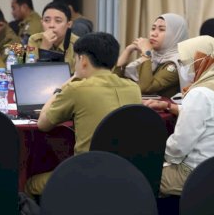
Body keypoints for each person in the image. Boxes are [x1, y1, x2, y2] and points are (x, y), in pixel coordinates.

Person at [25, 32, 142, 196]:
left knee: (30, 184)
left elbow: (42, 124)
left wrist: (63, 86)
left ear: (83, 60)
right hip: (125, 173)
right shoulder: (133, 88)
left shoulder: (77, 89)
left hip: (85, 174)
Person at [143, 35, 214, 196]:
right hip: (209, 169)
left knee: (140, 174)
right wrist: (171, 106)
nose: (183, 67)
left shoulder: (199, 94)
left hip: (195, 173)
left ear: (203, 60)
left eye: (187, 62)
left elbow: (179, 147)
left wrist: (161, 157)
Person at [115, 13, 188, 98]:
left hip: (161, 110)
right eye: (153, 28)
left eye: (161, 30)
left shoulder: (177, 63)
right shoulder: (153, 57)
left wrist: (146, 53)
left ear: (175, 35)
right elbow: (114, 81)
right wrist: (127, 51)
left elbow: (146, 88)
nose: (153, 34)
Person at [26, 1, 78, 73]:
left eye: (58, 21)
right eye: (47, 20)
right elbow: (31, 73)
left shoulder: (78, 43)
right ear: (42, 23)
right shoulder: (34, 40)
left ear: (69, 24)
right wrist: (44, 49)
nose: (51, 25)